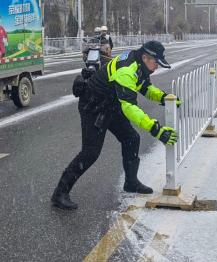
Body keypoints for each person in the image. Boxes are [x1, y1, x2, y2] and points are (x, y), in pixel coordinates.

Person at [51, 40, 181, 210]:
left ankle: (131, 182)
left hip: (111, 104)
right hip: (93, 106)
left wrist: (164, 98)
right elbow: (129, 107)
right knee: (90, 153)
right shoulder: (128, 70)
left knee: (131, 138)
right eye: (156, 62)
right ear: (145, 57)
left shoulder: (139, 64)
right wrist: (156, 129)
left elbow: (145, 88)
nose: (157, 66)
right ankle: (60, 193)